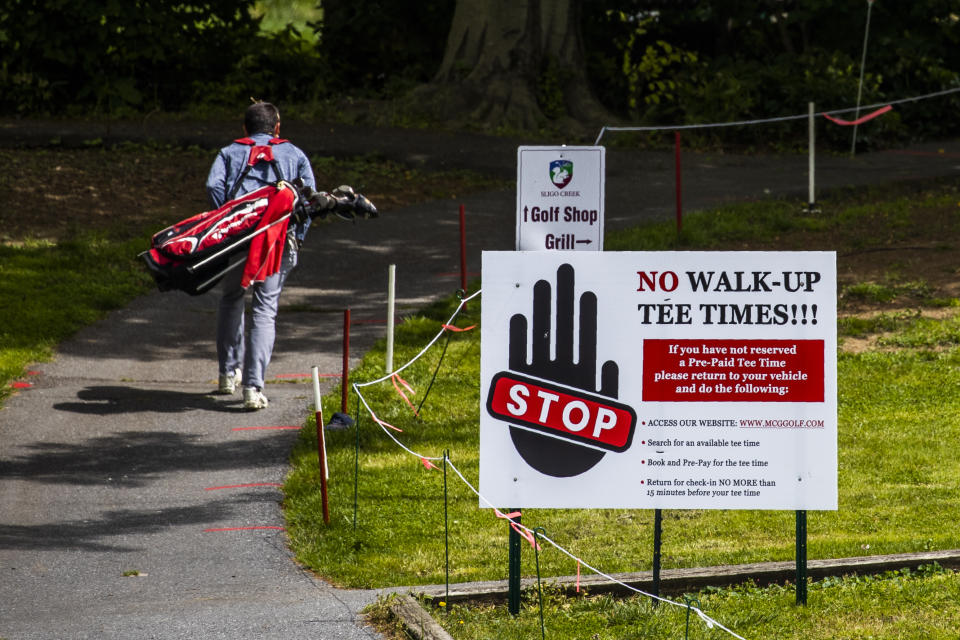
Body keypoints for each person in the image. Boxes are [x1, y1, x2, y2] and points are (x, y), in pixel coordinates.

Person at [205, 101, 315, 410]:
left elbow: (213, 184)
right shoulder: (294, 154)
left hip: (237, 240)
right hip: (277, 242)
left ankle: (227, 374)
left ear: (244, 129)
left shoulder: (229, 153)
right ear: (278, 127)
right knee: (265, 311)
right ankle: (253, 388)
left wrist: (224, 219)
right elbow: (309, 200)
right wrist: (298, 236)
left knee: (231, 298)